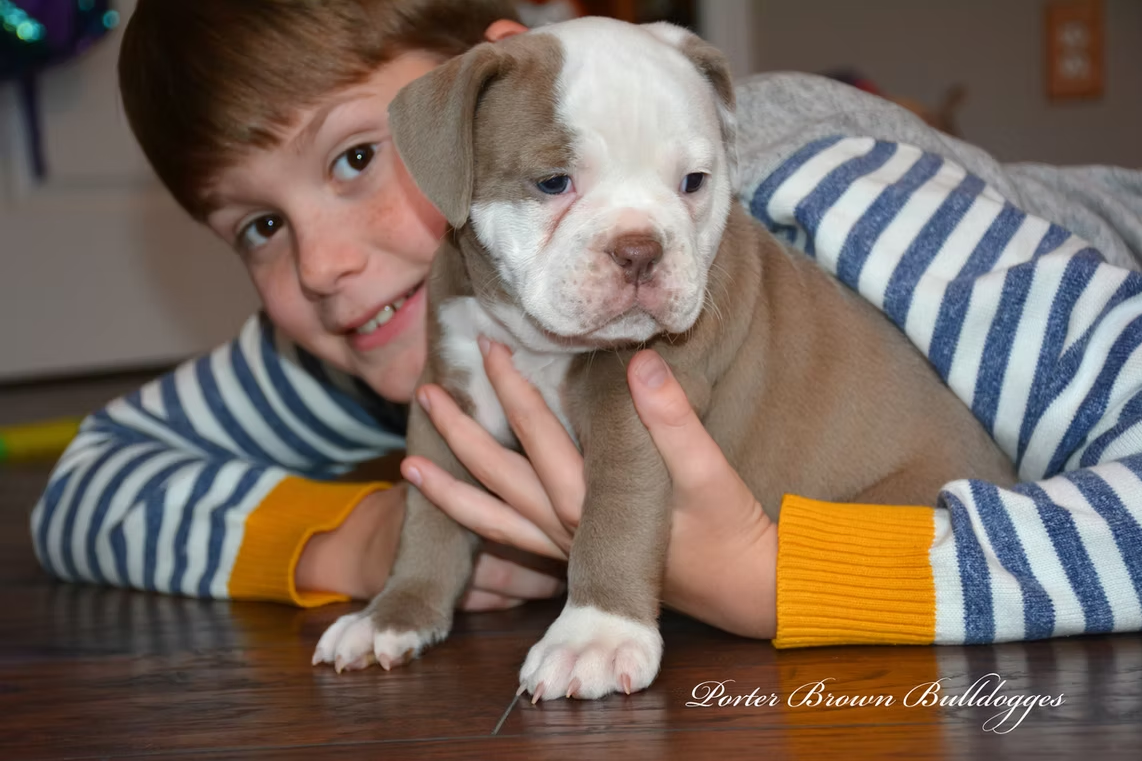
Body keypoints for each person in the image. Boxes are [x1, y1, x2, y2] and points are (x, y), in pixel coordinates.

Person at [30, 0, 1142, 650]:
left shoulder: (826, 192)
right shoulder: (372, 319)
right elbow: (90, 479)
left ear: (489, 80)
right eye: (260, 224)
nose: (323, 263)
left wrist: (781, 576)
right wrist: (360, 542)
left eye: (362, 156)